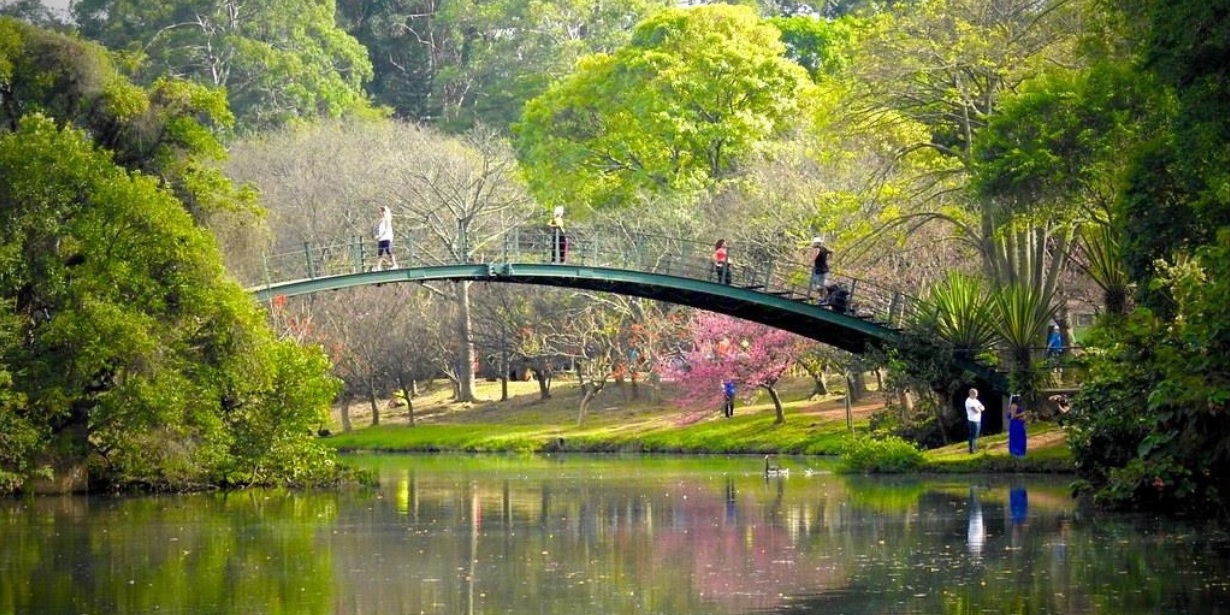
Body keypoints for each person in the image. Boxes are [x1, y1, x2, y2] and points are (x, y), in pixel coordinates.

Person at [373, 205, 397, 270]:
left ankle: (395, 265)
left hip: (387, 238)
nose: (382, 213)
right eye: (381, 211)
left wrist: (380, 235)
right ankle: (378, 267)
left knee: (389, 251)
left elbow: (386, 229)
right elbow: (376, 229)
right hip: (381, 239)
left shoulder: (387, 219)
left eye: (383, 211)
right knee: (380, 252)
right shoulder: (380, 220)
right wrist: (376, 235)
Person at [965, 388, 985, 453]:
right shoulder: (969, 401)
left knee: (976, 435)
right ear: (971, 394)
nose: (977, 395)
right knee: (973, 435)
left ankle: (975, 448)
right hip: (972, 420)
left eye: (977, 394)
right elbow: (976, 410)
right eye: (975, 394)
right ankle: (971, 449)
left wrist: (979, 408)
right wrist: (979, 409)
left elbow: (983, 407)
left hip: (978, 420)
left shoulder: (976, 400)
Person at [1006, 394, 1027, 458]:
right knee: (1018, 438)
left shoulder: (1016, 405)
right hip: (1016, 425)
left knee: (1022, 437)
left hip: (1019, 423)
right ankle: (1017, 453)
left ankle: (1020, 453)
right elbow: (1013, 416)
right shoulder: (1014, 406)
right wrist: (1022, 413)